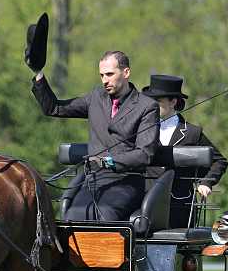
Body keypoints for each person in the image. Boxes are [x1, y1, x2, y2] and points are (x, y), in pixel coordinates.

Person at [28, 50, 159, 221]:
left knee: (105, 215)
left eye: (110, 74)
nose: (105, 80)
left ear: (126, 72)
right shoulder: (95, 96)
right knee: (73, 217)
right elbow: (53, 108)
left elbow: (144, 154)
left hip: (127, 180)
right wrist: (38, 73)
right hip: (95, 179)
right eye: (102, 75)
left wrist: (108, 161)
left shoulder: (147, 106)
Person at [142, 75, 227, 228]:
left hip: (180, 208)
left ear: (172, 102)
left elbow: (219, 161)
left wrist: (207, 182)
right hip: (146, 206)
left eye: (158, 101)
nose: (151, 106)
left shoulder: (192, 133)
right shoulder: (141, 130)